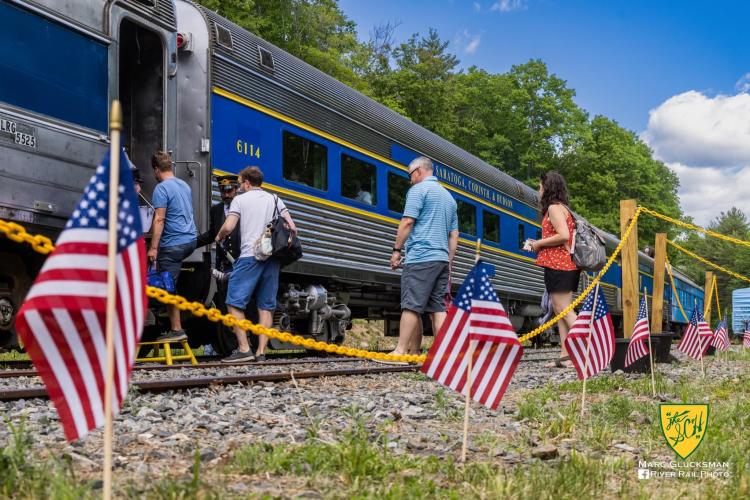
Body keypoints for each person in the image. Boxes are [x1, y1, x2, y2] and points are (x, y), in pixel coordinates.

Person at [215, 166, 297, 363]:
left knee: (233, 302)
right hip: (272, 258)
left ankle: (244, 349)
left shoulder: (240, 199)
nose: (240, 186)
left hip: (249, 256)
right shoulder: (275, 199)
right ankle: (261, 352)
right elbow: (292, 228)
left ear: (247, 183)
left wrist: (219, 236)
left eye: (241, 183)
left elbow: (229, 226)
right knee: (266, 306)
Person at [384, 156, 458, 361]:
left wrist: (396, 250)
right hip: (441, 260)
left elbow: (407, 222)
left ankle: (400, 351)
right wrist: (448, 262)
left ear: (418, 171)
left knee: (411, 305)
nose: (409, 180)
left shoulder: (418, 190)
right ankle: (437, 354)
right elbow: (454, 236)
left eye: (410, 175)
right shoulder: (449, 198)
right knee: (437, 308)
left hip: (421, 258)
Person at [529, 171, 580, 368]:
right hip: (563, 265)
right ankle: (565, 357)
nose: (538, 189)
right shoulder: (562, 207)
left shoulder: (554, 208)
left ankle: (591, 347)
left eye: (540, 185)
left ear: (547, 187)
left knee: (564, 311)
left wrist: (539, 243)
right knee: (560, 311)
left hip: (559, 265)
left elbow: (563, 235)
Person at [148, 151, 197, 342]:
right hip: (189, 241)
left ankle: (177, 329)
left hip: (173, 244)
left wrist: (153, 247)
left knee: (168, 285)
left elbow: (159, 218)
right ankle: (170, 322)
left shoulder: (161, 188)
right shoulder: (184, 185)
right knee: (170, 282)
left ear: (156, 170)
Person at [196, 175, 241, 274]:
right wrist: (193, 243)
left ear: (236, 189)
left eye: (229, 191)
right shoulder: (216, 210)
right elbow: (213, 234)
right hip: (222, 263)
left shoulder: (244, 207)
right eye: (223, 192)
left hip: (240, 262)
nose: (226, 195)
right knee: (222, 289)